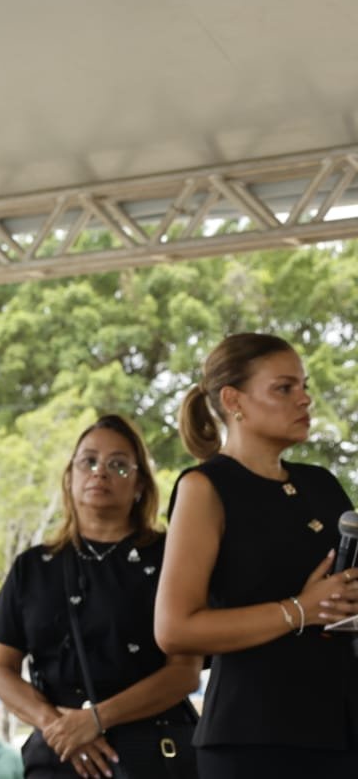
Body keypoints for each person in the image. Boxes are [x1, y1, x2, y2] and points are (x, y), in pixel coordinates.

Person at [155, 333, 358, 777]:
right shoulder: (204, 487)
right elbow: (174, 629)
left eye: (304, 386)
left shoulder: (322, 483)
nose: (304, 399)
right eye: (284, 388)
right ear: (234, 401)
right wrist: (300, 609)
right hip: (253, 736)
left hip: (341, 726)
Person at [0, 414, 201, 779]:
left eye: (118, 464)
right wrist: (60, 727)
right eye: (89, 461)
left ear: (140, 484)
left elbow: (185, 672)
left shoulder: (170, 557)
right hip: (60, 755)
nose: (100, 472)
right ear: (70, 477)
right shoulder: (33, 567)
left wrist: (96, 720)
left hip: (154, 754)